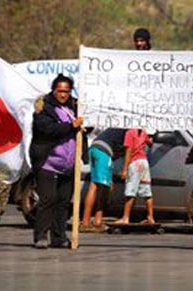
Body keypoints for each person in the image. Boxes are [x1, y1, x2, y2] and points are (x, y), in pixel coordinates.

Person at [29, 74, 83, 249]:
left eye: (66, 91)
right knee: (48, 199)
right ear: (54, 90)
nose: (63, 95)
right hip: (48, 162)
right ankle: (40, 236)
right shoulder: (43, 107)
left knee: (63, 202)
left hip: (68, 164)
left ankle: (59, 237)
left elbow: (79, 127)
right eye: (60, 91)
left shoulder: (76, 106)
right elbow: (47, 129)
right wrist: (71, 126)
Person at [80, 128, 126, 232]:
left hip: (94, 148)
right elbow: (128, 149)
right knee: (100, 187)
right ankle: (90, 222)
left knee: (97, 185)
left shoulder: (117, 126)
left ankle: (92, 221)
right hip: (104, 151)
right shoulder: (131, 130)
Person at [113, 128, 155, 225]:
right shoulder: (143, 132)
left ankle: (125, 217)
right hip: (144, 162)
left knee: (130, 191)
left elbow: (129, 151)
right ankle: (150, 217)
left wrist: (124, 169)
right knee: (147, 191)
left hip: (135, 163)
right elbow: (150, 143)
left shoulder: (130, 132)